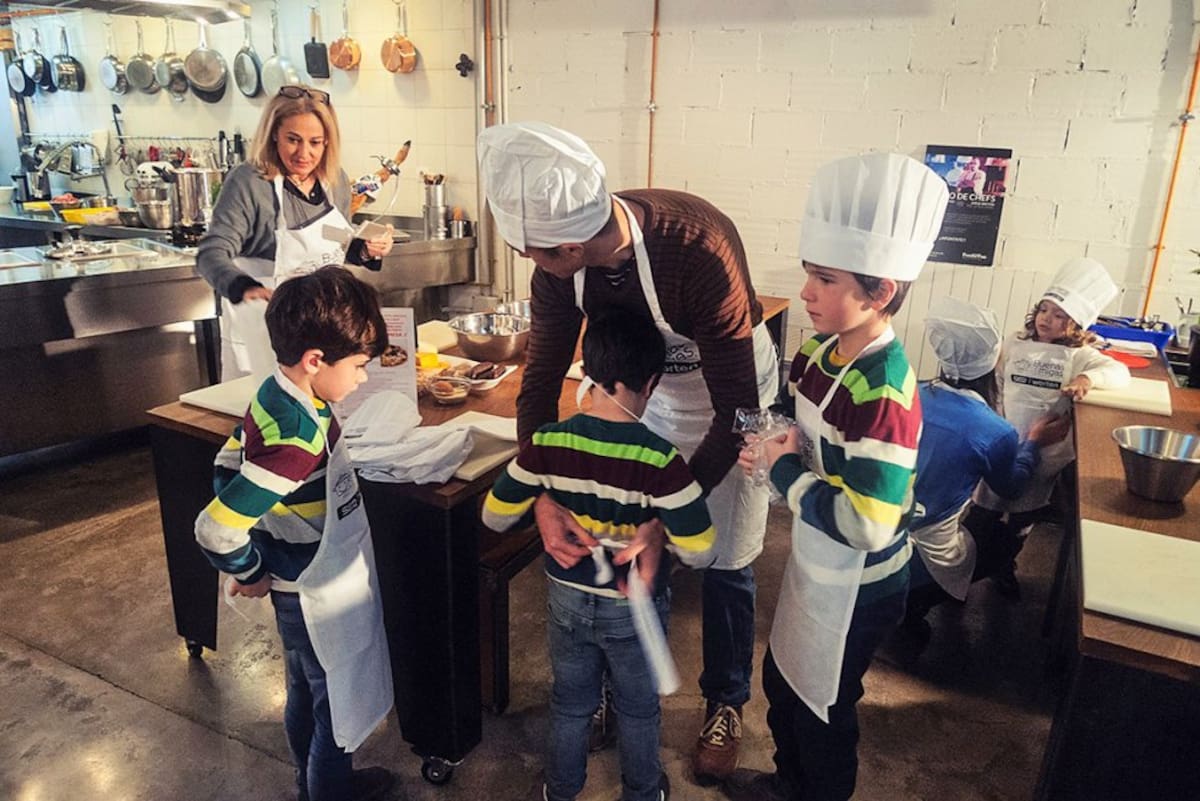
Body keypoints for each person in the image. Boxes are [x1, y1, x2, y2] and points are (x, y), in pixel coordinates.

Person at [476, 121, 779, 782]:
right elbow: (540, 379)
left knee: (727, 558)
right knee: (629, 542)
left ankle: (725, 700)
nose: (531, 265)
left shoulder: (698, 249)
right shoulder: (561, 273)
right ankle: (619, 684)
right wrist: (549, 493)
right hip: (650, 395)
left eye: (532, 253)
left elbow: (737, 411)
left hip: (728, 396)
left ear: (570, 246)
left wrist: (668, 513)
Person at [726, 153, 947, 801]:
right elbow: (793, 415)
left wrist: (783, 468)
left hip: (861, 583)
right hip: (814, 561)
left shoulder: (884, 391)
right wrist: (769, 440)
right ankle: (787, 783)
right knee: (783, 681)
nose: (805, 292)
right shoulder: (819, 350)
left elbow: (868, 523)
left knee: (822, 708)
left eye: (824, 279)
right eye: (808, 274)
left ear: (881, 292)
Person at [482, 310, 715, 801]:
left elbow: (495, 515)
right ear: (651, 384)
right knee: (637, 708)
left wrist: (545, 502)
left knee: (570, 704)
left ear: (587, 372)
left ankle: (561, 790)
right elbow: (701, 549)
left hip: (566, 600)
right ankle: (643, 792)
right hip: (632, 606)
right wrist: (662, 534)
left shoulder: (548, 441)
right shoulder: (661, 458)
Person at [194, 267, 395, 801]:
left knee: (304, 692)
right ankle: (329, 790)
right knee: (335, 708)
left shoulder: (276, 392)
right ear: (314, 361)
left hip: (298, 586)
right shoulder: (296, 439)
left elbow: (229, 461)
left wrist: (261, 544)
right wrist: (251, 569)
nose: (363, 379)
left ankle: (310, 785)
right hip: (311, 595)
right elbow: (215, 528)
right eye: (358, 366)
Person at [197, 84, 395, 380]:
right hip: (263, 331)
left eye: (315, 142)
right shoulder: (250, 182)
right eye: (293, 140)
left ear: (328, 142)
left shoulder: (334, 181)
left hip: (321, 333)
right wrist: (244, 287)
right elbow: (211, 253)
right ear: (273, 133)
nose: (304, 153)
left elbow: (332, 242)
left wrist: (364, 249)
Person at [903, 296, 1071, 636]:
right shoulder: (993, 431)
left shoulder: (910, 394)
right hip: (923, 554)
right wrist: (1034, 441)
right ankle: (916, 601)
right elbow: (1012, 488)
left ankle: (905, 595)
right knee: (1002, 542)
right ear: (993, 361)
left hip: (875, 537)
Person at [973, 256, 1130, 589]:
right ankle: (967, 570)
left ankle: (1004, 565)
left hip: (1046, 449)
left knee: (1023, 515)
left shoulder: (1080, 355)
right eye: (1044, 310)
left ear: (1075, 325)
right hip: (1004, 438)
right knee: (983, 509)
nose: (1047, 319)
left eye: (1059, 315)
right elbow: (998, 383)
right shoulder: (1015, 342)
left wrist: (1086, 379)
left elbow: (1119, 372)